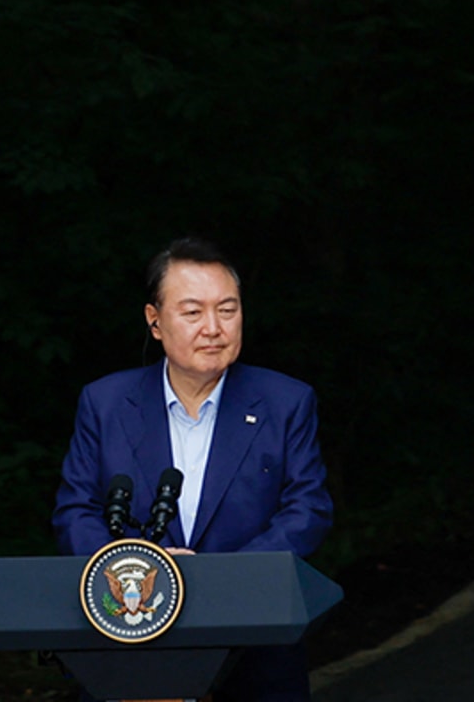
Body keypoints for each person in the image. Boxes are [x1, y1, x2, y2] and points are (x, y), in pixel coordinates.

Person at [53, 238, 333, 702]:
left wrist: (213, 581)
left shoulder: (286, 402)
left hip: (254, 650)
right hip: (132, 639)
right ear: (155, 321)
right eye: (192, 312)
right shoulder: (105, 404)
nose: (213, 328)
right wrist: (141, 575)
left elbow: (308, 510)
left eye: (227, 310)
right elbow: (75, 512)